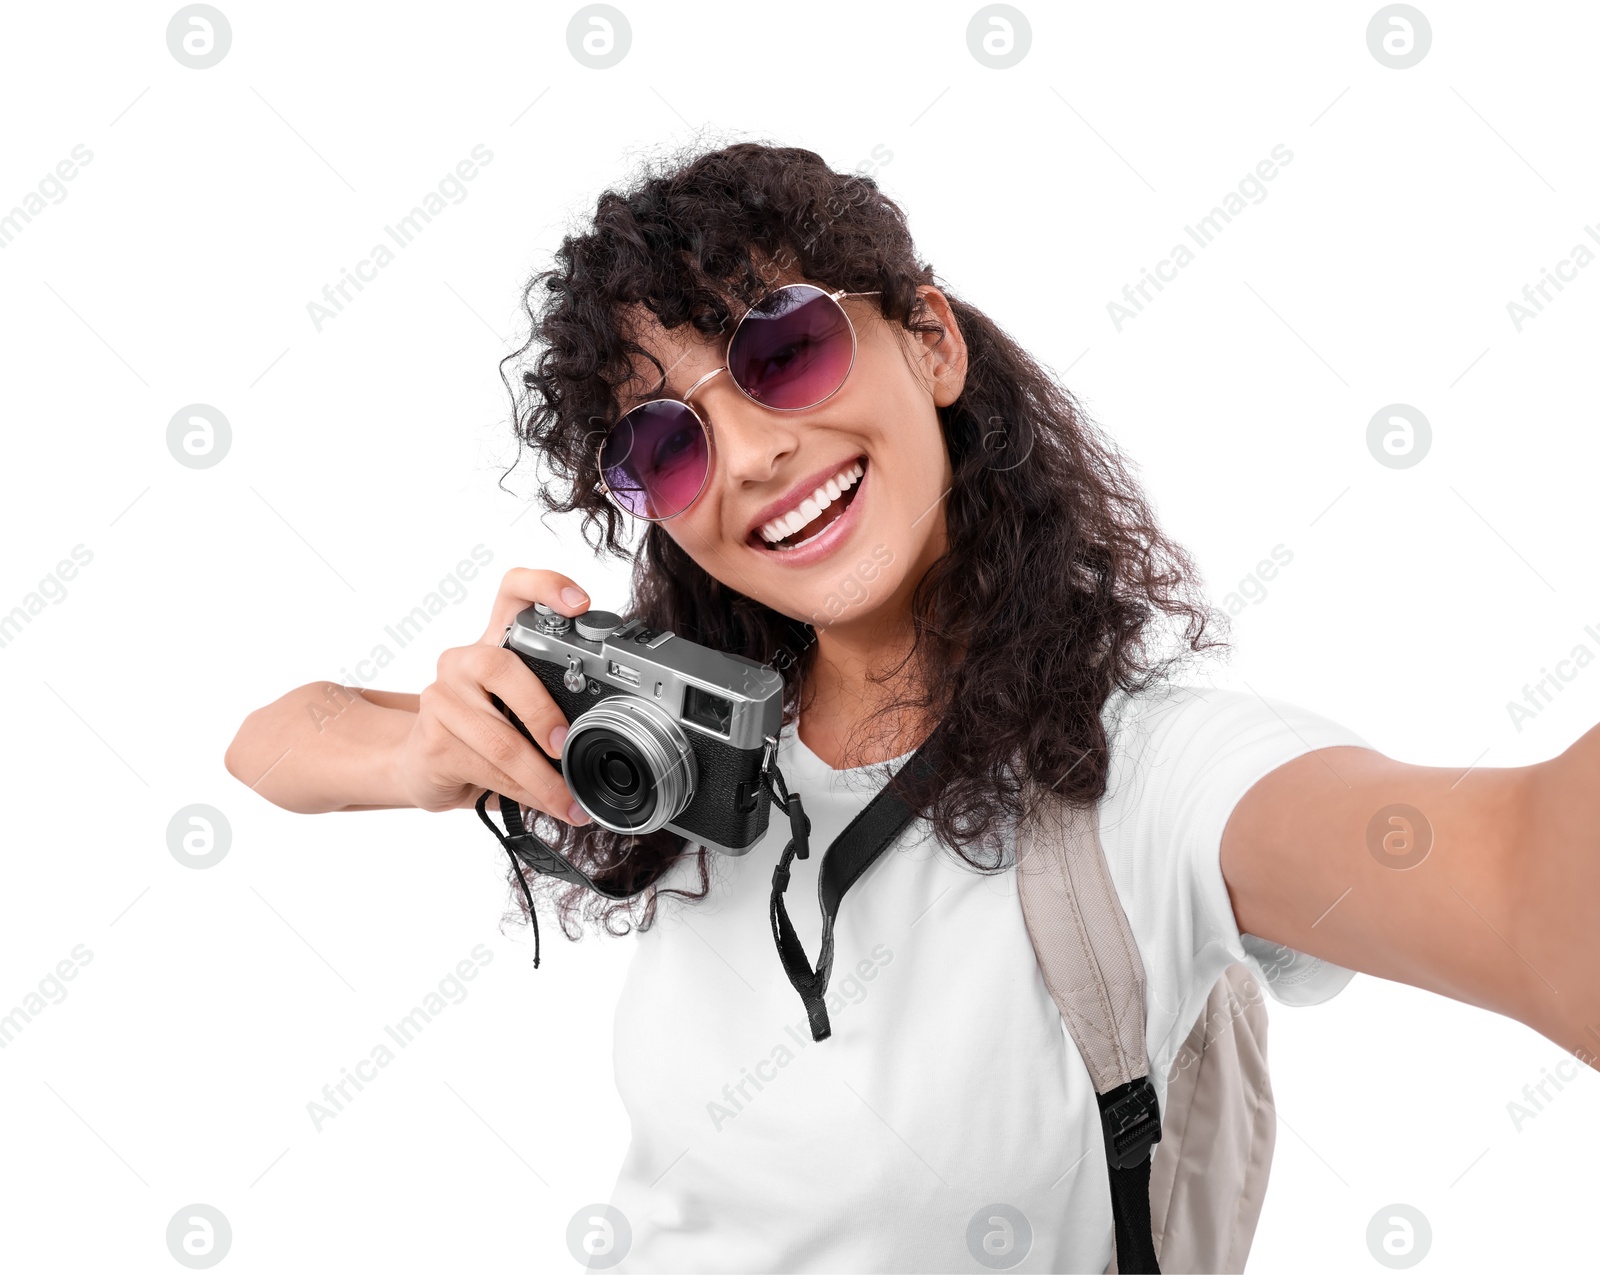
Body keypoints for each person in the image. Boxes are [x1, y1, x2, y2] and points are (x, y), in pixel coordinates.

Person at [224, 142, 1599, 1273]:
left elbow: (1525, 877)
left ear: (928, 340)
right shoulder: (675, 740)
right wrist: (429, 747)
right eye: (664, 441)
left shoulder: (1147, 775)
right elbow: (272, 737)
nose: (753, 451)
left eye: (785, 352)